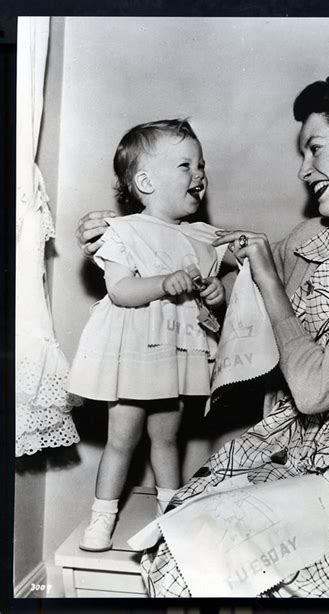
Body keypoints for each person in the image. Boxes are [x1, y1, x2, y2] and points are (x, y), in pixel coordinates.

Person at [76, 74, 329, 598]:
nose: (304, 170)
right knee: (177, 560)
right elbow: (245, 315)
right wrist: (118, 238)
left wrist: (269, 281)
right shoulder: (309, 239)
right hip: (289, 443)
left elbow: (318, 387)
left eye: (315, 149)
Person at [68, 119, 231, 552]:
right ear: (145, 181)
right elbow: (121, 291)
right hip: (135, 356)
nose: (200, 174)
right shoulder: (123, 231)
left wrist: (215, 294)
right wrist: (163, 282)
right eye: (185, 165)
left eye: (201, 165)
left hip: (175, 353)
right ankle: (101, 519)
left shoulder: (201, 238)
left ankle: (171, 515)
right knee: (122, 439)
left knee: (167, 439)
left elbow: (210, 298)